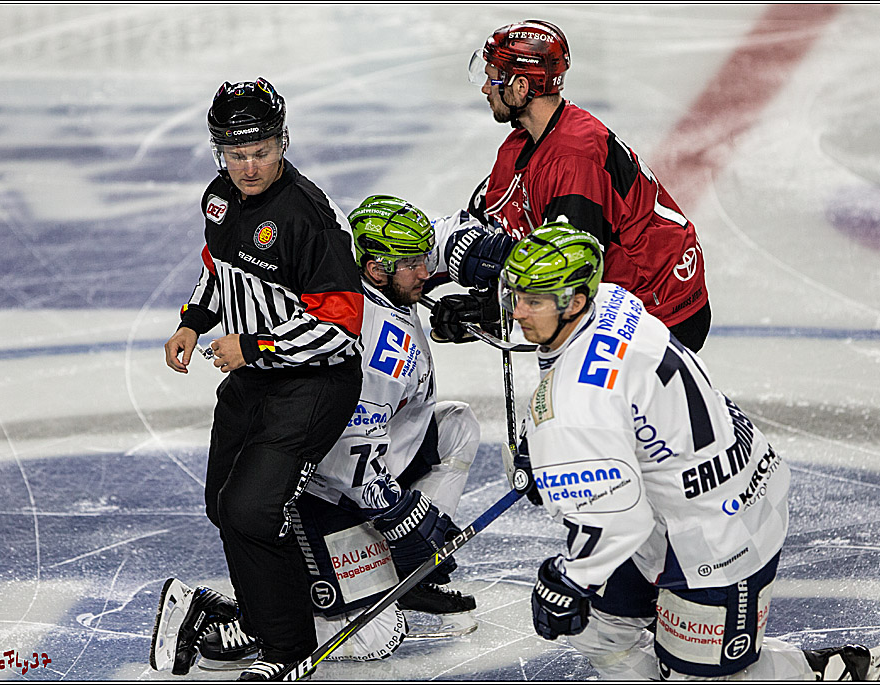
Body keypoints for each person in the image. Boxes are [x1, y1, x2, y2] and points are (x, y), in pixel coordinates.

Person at [497, 222, 880, 680]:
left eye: (534, 301)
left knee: (695, 673)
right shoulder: (613, 300)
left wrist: (569, 579)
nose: (518, 312)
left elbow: (616, 519)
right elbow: (611, 397)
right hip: (693, 495)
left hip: (720, 534)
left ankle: (823, 672)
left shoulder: (576, 403)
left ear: (576, 302)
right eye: (516, 295)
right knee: (599, 630)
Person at [155, 195, 480, 675]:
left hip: (376, 454)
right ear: (374, 268)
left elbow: (445, 237)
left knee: (456, 426)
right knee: (372, 638)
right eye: (411, 264)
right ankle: (222, 618)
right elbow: (349, 458)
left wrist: (488, 282)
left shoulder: (377, 276)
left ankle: (405, 578)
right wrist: (403, 516)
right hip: (326, 490)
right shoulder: (376, 352)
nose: (424, 272)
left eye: (420, 258)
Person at [161, 77, 364, 681]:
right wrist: (194, 323)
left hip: (314, 382)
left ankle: (288, 650)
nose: (249, 167)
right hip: (255, 376)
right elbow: (219, 270)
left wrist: (251, 346)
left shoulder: (309, 217)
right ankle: (266, 609)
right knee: (222, 503)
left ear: (282, 143)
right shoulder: (220, 198)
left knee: (251, 509)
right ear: (219, 151)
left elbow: (342, 332)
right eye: (236, 153)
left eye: (262, 152)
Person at [430, 19, 711, 353]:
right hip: (623, 302)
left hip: (659, 312)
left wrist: (493, 311)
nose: (485, 88)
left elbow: (570, 267)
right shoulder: (519, 146)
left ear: (521, 88)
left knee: (583, 398)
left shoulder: (575, 156)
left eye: (493, 78)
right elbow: (484, 226)